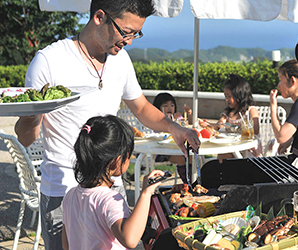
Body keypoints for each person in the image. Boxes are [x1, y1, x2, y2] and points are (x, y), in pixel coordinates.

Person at [14, 1, 200, 249]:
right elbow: (26, 137)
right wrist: (30, 115)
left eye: (136, 33)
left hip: (111, 187)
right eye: (126, 32)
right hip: (63, 193)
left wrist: (174, 128)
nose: (130, 41)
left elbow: (142, 107)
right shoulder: (49, 61)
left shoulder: (120, 60)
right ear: (99, 17)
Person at [62, 115, 164, 250]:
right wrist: (146, 193)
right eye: (129, 155)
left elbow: (66, 245)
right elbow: (130, 239)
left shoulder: (70, 196)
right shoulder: (109, 200)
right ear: (117, 161)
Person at [199, 74, 261, 160]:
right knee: (223, 155)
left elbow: (256, 130)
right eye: (225, 96)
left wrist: (244, 126)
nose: (226, 100)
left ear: (239, 95)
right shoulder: (228, 112)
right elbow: (219, 126)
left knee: (223, 156)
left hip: (248, 150)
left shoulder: (250, 111)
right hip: (231, 146)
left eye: (229, 96)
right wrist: (207, 125)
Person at [270, 59, 298, 155]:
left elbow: (280, 137)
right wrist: (290, 140)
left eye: (280, 79)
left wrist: (273, 106)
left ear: (292, 81)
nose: (278, 85)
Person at [152, 92, 193, 183]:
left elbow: (189, 123)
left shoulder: (176, 119)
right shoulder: (157, 120)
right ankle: (187, 182)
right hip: (160, 151)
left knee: (190, 156)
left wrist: (188, 115)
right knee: (180, 159)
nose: (170, 108)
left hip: (176, 149)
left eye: (172, 105)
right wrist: (171, 123)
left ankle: (192, 181)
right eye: (165, 105)